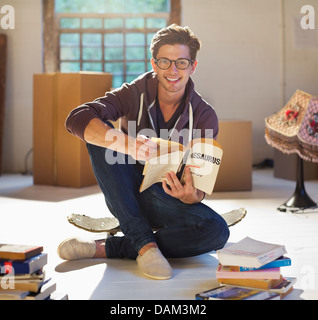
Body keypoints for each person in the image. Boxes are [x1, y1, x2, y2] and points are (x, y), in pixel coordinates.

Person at [57, 24, 230, 280]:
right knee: (101, 136)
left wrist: (190, 196)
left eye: (181, 63)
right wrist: (125, 143)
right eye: (165, 61)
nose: (173, 70)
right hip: (124, 189)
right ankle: (147, 247)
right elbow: (76, 118)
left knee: (218, 231)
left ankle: (108, 247)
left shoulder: (205, 116)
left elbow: (200, 189)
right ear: (153, 63)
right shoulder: (133, 93)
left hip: (163, 198)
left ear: (193, 66)